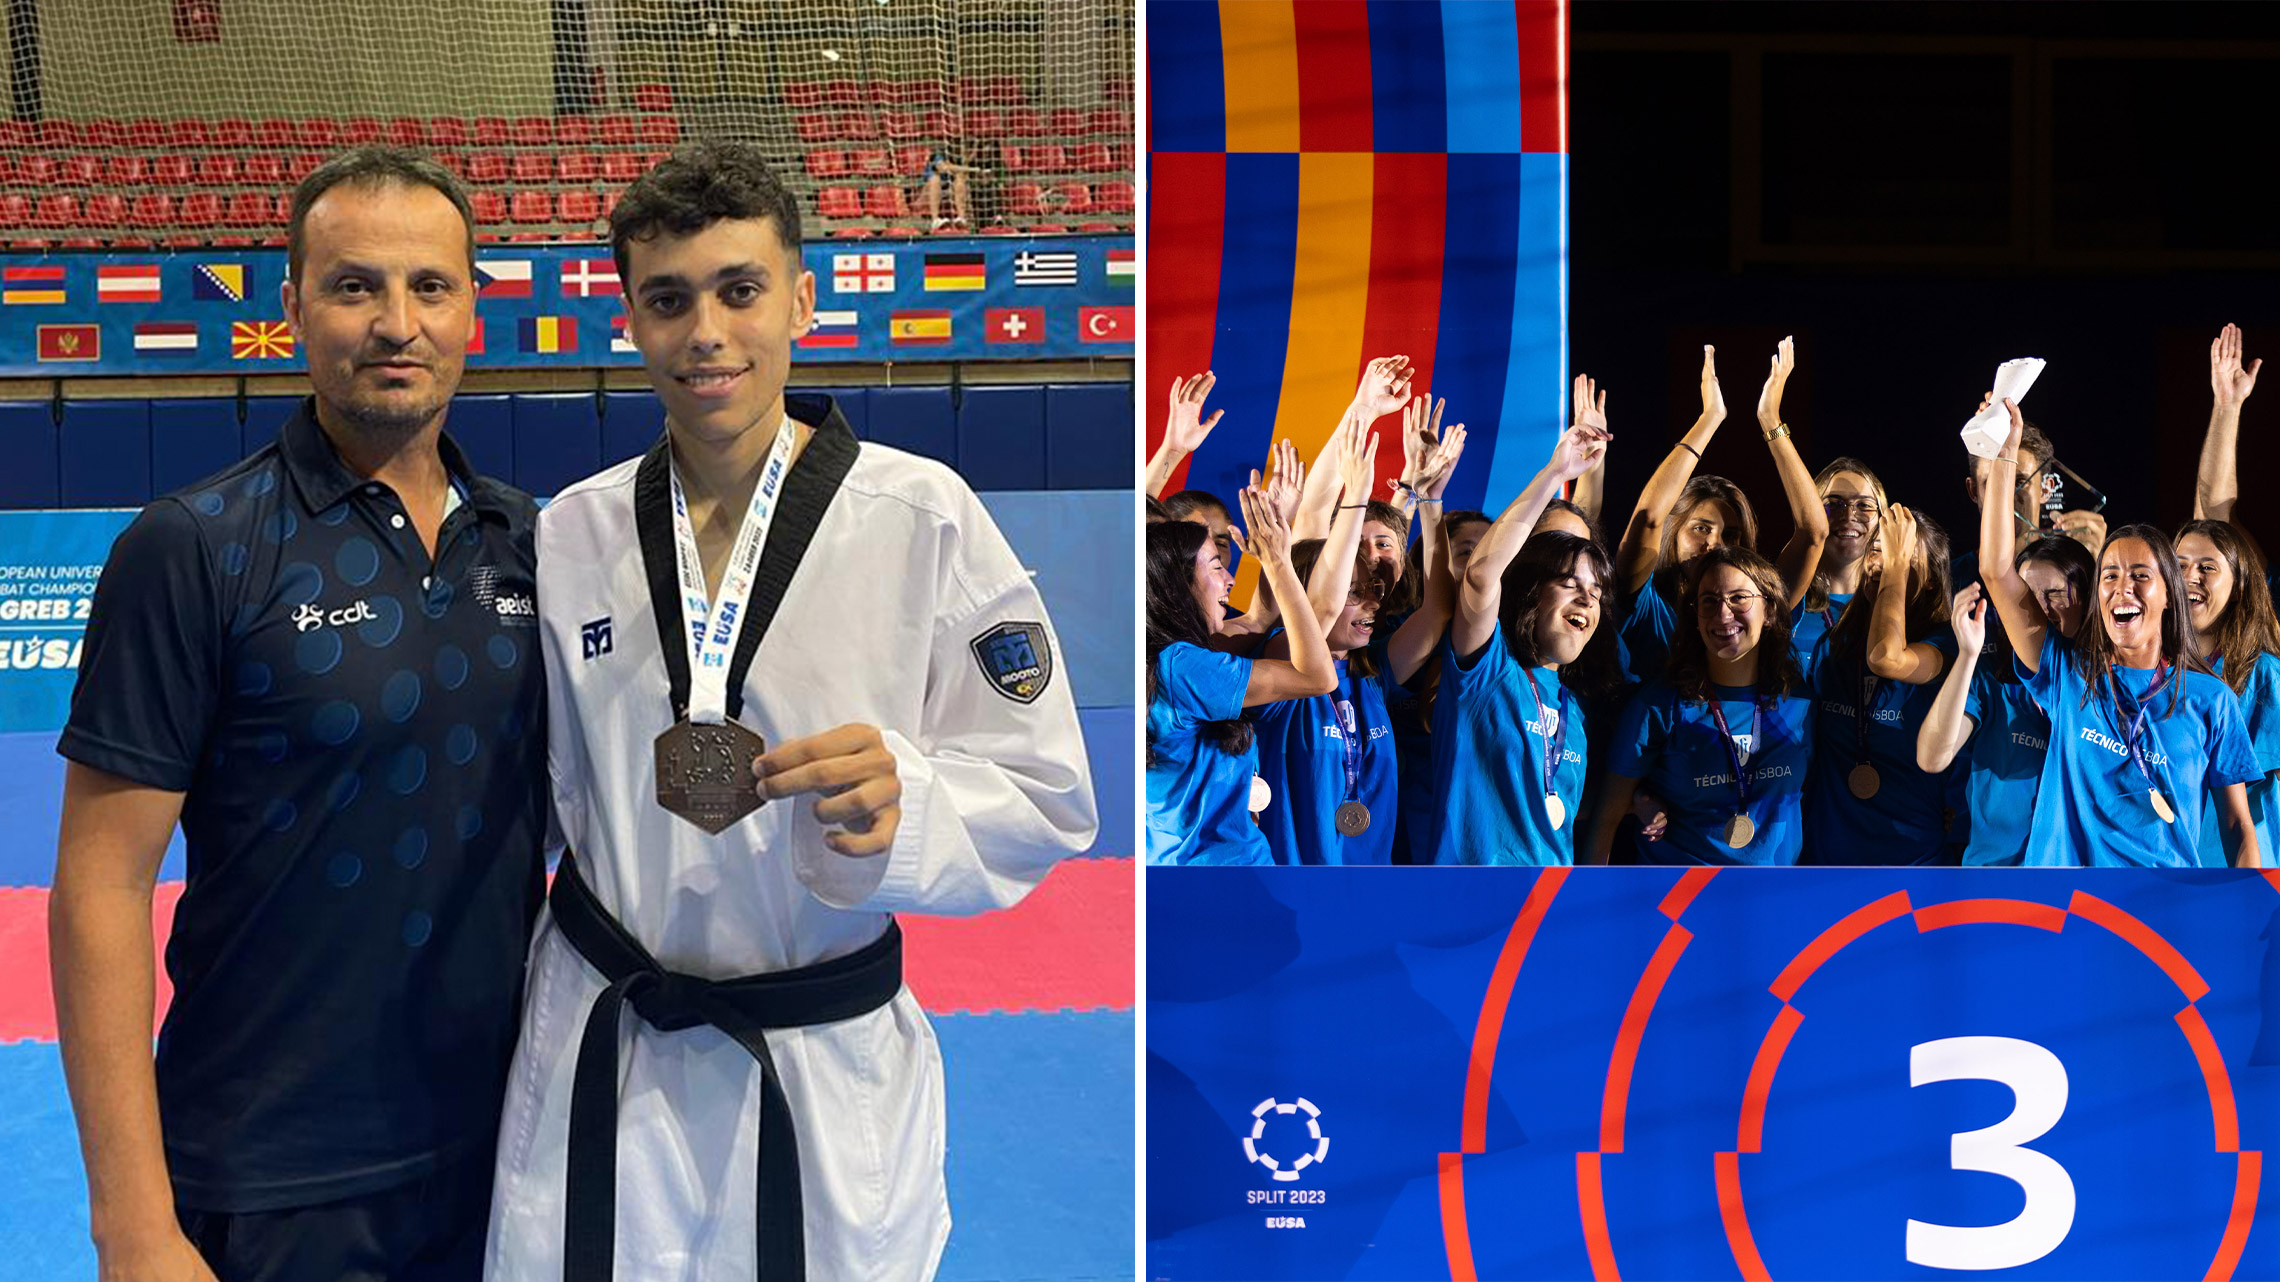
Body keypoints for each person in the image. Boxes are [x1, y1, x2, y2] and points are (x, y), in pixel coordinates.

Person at [482, 140, 1098, 1281]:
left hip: (819, 1056)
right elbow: (544, 799)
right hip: (604, 1041)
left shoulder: (926, 518)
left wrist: (908, 805)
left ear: (803, 298)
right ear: (629, 319)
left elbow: (1048, 792)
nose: (706, 331)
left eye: (739, 289)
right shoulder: (572, 533)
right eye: (668, 299)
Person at [50, 146, 545, 1281]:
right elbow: (99, 886)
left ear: (473, 305)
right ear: (292, 307)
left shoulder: (534, 543)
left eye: (429, 286)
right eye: (353, 285)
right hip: (272, 1173)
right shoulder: (197, 548)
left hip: (508, 1152)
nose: (394, 323)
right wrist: (131, 1225)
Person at [1980, 396, 2261, 868]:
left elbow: (2236, 828)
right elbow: (1995, 568)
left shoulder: (2211, 700)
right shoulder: (2065, 674)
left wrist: (2241, 918)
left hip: (2159, 922)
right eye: (2109, 575)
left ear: (2169, 595)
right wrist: (2006, 452)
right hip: (2064, 915)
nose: (2121, 588)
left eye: (2139, 576)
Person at [1429, 395, 1612, 865]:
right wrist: (1555, 472)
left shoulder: (1574, 712)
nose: (1587, 599)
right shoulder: (1485, 669)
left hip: (1546, 920)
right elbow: (1481, 576)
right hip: (1471, 920)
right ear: (1530, 589)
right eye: (1568, 584)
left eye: (1594, 592)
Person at [1612, 341, 1828, 685]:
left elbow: (1814, 532)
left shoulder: (1756, 603)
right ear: (1674, 530)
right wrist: (1709, 418)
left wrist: (1770, 419)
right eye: (1700, 528)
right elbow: (1649, 516)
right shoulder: (1644, 606)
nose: (1715, 543)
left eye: (1730, 535)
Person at [1146, 492, 1337, 865]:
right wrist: (1280, 564)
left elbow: (1259, 617)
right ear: (1179, 585)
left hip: (1183, 872)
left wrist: (1274, 547)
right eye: (1216, 566)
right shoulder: (1185, 667)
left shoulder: (1163, 658)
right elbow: (1317, 675)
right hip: (1224, 877)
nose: (1230, 579)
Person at [1593, 548, 1815, 866]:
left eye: (1739, 598)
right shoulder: (1658, 704)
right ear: (1694, 617)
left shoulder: (1800, 703)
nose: (1723, 615)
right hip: (1677, 903)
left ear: (1769, 611)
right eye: (1709, 601)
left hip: (1771, 900)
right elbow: (1607, 818)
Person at [1915, 534, 2094, 866]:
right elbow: (1931, 758)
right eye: (2025, 596)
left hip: (2072, 886)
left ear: (2087, 601)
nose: (2038, 609)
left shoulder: (2103, 692)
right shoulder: (1991, 681)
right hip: (1994, 882)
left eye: (2054, 594)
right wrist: (1968, 655)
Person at [1800, 503, 1959, 865]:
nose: (1883, 563)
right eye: (1876, 550)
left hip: (1911, 864)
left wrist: (1895, 569)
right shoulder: (1834, 645)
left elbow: (1886, 658)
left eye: (1899, 553)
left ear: (1932, 577)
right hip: (1829, 862)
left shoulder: (1945, 645)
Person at [2175, 518, 2280, 866]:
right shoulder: (2152, 673)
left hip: (2246, 873)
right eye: (2179, 565)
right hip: (2171, 871)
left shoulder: (2263, 673)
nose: (2191, 576)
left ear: (2238, 585)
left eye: (2207, 567)